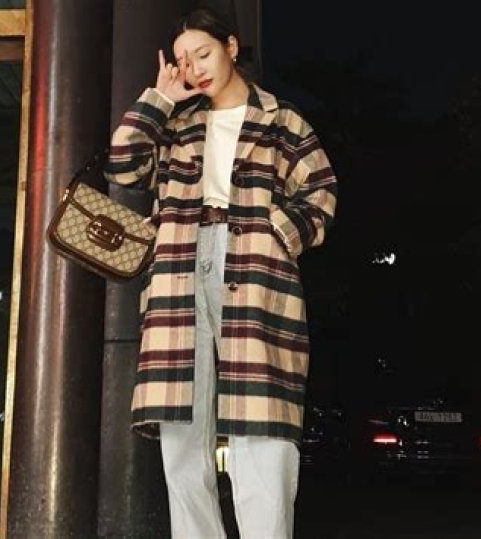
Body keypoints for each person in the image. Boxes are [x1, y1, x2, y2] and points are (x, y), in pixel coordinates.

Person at [103, 7, 337, 538]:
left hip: (256, 267)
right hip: (179, 269)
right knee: (181, 436)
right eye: (183, 61)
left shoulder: (282, 119)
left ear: (231, 46)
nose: (195, 68)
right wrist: (159, 98)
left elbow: (321, 191)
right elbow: (123, 166)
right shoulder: (176, 123)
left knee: (262, 426)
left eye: (203, 53)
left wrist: (275, 233)